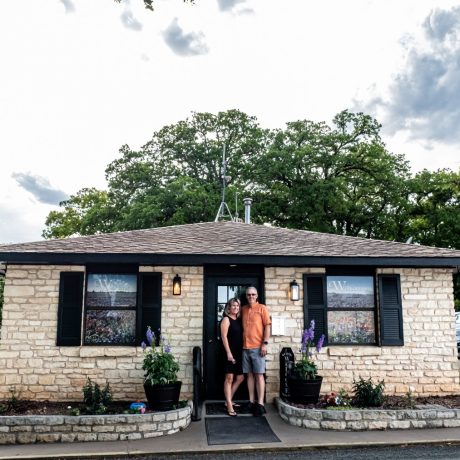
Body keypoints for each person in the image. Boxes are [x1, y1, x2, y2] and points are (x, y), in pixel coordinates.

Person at [241, 286, 271, 417]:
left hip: (258, 348)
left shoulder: (262, 308)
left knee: (259, 375)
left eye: (253, 294)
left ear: (257, 295)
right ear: (246, 296)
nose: (251, 297)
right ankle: (251, 401)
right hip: (245, 348)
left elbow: (267, 326)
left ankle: (260, 403)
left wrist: (264, 344)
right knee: (249, 375)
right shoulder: (243, 309)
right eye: (248, 295)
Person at [220, 297, 245, 416]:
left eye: (237, 306)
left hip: (239, 352)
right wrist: (229, 353)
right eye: (233, 305)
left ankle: (227, 400)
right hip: (229, 352)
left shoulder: (238, 320)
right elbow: (224, 337)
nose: (235, 308)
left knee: (240, 378)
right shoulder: (226, 319)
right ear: (228, 307)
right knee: (229, 378)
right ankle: (229, 405)